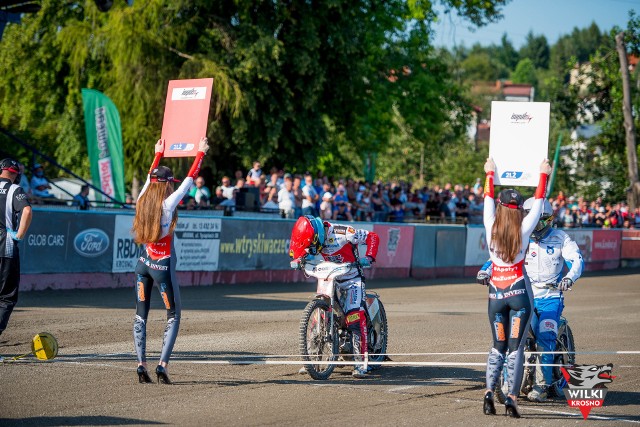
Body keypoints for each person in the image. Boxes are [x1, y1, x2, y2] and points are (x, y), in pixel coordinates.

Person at [477, 198, 584, 402]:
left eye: (540, 222)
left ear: (550, 220)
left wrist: (570, 277)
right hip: (522, 293)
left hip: (550, 296)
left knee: (545, 335)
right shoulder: (519, 236)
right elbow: (498, 256)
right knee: (510, 335)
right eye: (531, 220)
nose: (535, 226)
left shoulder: (562, 238)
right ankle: (508, 379)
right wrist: (485, 271)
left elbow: (576, 259)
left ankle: (541, 385)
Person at [131, 137, 209, 384]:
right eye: (169, 184)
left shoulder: (142, 199)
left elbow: (148, 178)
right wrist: (200, 153)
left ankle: (141, 364)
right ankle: (162, 365)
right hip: (163, 267)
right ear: (165, 184)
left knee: (140, 314)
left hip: (143, 264)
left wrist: (157, 154)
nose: (170, 187)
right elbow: (188, 182)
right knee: (173, 315)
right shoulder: (167, 205)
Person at [480, 157, 551, 418]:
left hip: (495, 294)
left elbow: (487, 197)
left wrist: (489, 172)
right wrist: (543, 174)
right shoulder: (523, 228)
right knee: (515, 347)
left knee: (497, 346)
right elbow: (540, 201)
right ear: (520, 208)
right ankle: (511, 397)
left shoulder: (490, 225)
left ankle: (488, 393)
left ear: (499, 207)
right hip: (519, 292)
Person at [289, 216, 379, 378]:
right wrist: (297, 259)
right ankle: (313, 361)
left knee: (354, 317)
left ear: (318, 236)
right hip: (328, 276)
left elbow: (372, 237)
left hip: (351, 278)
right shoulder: (311, 236)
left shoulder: (343, 232)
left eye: (312, 244)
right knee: (319, 315)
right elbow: (299, 250)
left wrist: (369, 257)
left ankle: (360, 363)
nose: (311, 248)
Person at [0, 159, 33, 349]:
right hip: (6, 248)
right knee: (6, 298)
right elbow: (27, 211)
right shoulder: (14, 190)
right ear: (14, 173)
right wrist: (19, 236)